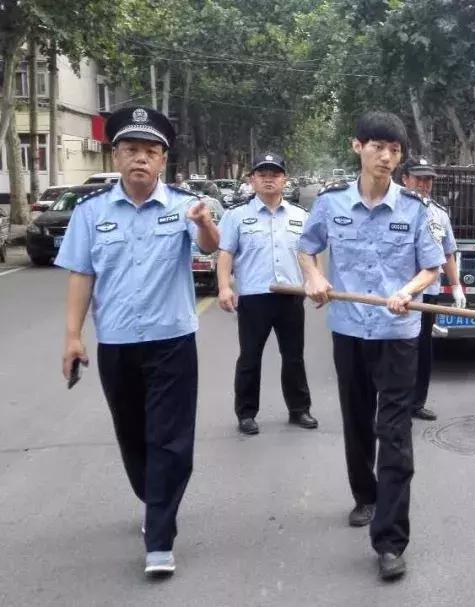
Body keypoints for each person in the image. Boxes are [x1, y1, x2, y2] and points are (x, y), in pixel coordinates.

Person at [55, 106, 220, 578]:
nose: (140, 159)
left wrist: (206, 223)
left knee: (169, 439)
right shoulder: (91, 213)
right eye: (131, 150)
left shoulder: (184, 206)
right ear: (116, 155)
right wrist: (72, 337)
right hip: (118, 343)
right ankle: (156, 498)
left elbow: (210, 245)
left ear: (163, 160)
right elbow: (81, 274)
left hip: (172, 340)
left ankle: (160, 538)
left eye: (150, 151)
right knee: (133, 436)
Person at [298, 112, 444, 581]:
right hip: (349, 330)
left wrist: (409, 290)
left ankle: (390, 540)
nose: (387, 156)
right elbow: (307, 247)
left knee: (394, 435)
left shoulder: (415, 209)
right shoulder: (330, 204)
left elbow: (432, 268)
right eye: (378, 146)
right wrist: (316, 275)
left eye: (395, 149)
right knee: (358, 423)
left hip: (398, 337)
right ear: (356, 146)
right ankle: (365, 494)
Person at [216, 152, 317, 436]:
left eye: (275, 174)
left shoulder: (300, 216)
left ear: (285, 179)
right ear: (252, 180)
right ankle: (246, 413)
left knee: (294, 356)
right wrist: (225, 287)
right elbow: (225, 254)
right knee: (250, 357)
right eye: (263, 174)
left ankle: (300, 409)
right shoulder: (237, 216)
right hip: (254, 297)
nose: (269, 179)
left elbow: (309, 254)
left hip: (291, 296)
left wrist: (314, 282)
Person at [400, 157, 467, 421]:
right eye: (419, 178)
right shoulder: (392, 209)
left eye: (428, 180)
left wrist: (456, 286)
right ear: (405, 178)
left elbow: (448, 253)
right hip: (398, 292)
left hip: (428, 292)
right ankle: (393, 401)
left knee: (423, 349)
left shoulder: (438, 214)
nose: (424, 185)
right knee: (396, 348)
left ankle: (416, 403)